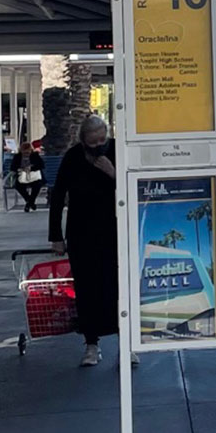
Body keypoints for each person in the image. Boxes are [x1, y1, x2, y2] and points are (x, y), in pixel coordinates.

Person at [48, 116, 125, 368]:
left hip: (114, 229)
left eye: (102, 140)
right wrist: (56, 236)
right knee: (86, 288)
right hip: (81, 231)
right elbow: (58, 195)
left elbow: (135, 187)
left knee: (117, 286)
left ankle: (126, 344)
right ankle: (91, 344)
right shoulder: (73, 158)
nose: (99, 145)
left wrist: (113, 173)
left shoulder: (116, 151)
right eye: (93, 142)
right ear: (83, 141)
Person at [14, 140, 45, 212]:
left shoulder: (35, 155)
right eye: (24, 152)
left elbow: (41, 165)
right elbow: (13, 167)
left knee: (37, 185)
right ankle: (30, 202)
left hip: (34, 176)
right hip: (22, 176)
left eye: (28, 152)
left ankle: (29, 203)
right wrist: (19, 169)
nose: (26, 153)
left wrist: (31, 168)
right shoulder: (17, 157)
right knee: (18, 186)